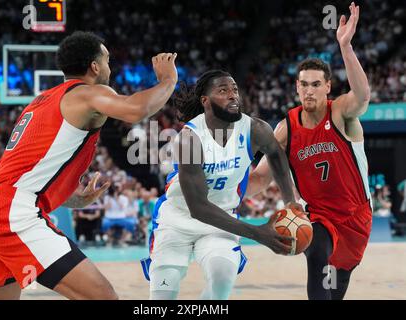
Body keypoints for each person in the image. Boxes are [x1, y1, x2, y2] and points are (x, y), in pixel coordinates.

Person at [0, 31, 178, 300]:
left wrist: (69, 197)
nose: (109, 68)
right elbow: (137, 109)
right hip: (11, 213)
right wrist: (169, 79)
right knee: (103, 297)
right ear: (95, 66)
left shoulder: (41, 101)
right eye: (107, 61)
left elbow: (27, 171)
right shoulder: (88, 94)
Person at [141, 70, 300, 300]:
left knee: (222, 280)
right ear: (205, 101)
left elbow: (275, 155)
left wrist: (290, 202)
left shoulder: (255, 128)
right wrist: (258, 233)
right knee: (163, 296)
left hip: (222, 219)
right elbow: (198, 208)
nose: (233, 95)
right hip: (177, 219)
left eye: (234, 90)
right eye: (223, 91)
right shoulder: (190, 139)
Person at [249, 3, 372, 300]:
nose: (309, 91)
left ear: (328, 87)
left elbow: (363, 96)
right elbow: (260, 179)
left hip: (356, 218)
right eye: (303, 84)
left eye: (316, 84)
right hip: (319, 218)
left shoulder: (341, 113)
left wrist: (345, 47)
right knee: (315, 250)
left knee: (334, 286)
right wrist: (216, 193)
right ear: (296, 87)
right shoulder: (286, 129)